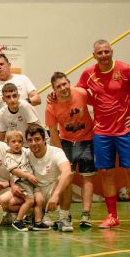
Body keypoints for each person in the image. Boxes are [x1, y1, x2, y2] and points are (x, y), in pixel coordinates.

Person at [76, 39, 130, 229]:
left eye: (106, 52)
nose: (103, 55)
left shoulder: (126, 69)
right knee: (105, 172)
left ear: (112, 52)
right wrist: (57, 96)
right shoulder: (88, 74)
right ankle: (112, 216)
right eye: (99, 53)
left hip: (126, 130)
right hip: (101, 131)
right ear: (94, 55)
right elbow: (78, 93)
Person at [46, 71, 95, 229]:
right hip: (66, 142)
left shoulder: (81, 93)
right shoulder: (51, 105)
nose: (63, 88)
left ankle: (86, 215)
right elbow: (53, 132)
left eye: (64, 84)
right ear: (54, 89)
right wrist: (60, 154)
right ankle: (64, 216)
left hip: (87, 139)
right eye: (58, 86)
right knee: (66, 179)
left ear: (69, 83)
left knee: (87, 177)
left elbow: (100, 103)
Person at [3, 129, 38, 231]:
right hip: (22, 181)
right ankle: (18, 220)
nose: (17, 144)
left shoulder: (24, 152)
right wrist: (28, 176)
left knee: (37, 199)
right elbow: (14, 170)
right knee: (30, 201)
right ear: (8, 143)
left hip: (30, 182)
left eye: (19, 141)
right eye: (13, 142)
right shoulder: (8, 157)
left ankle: (35, 219)